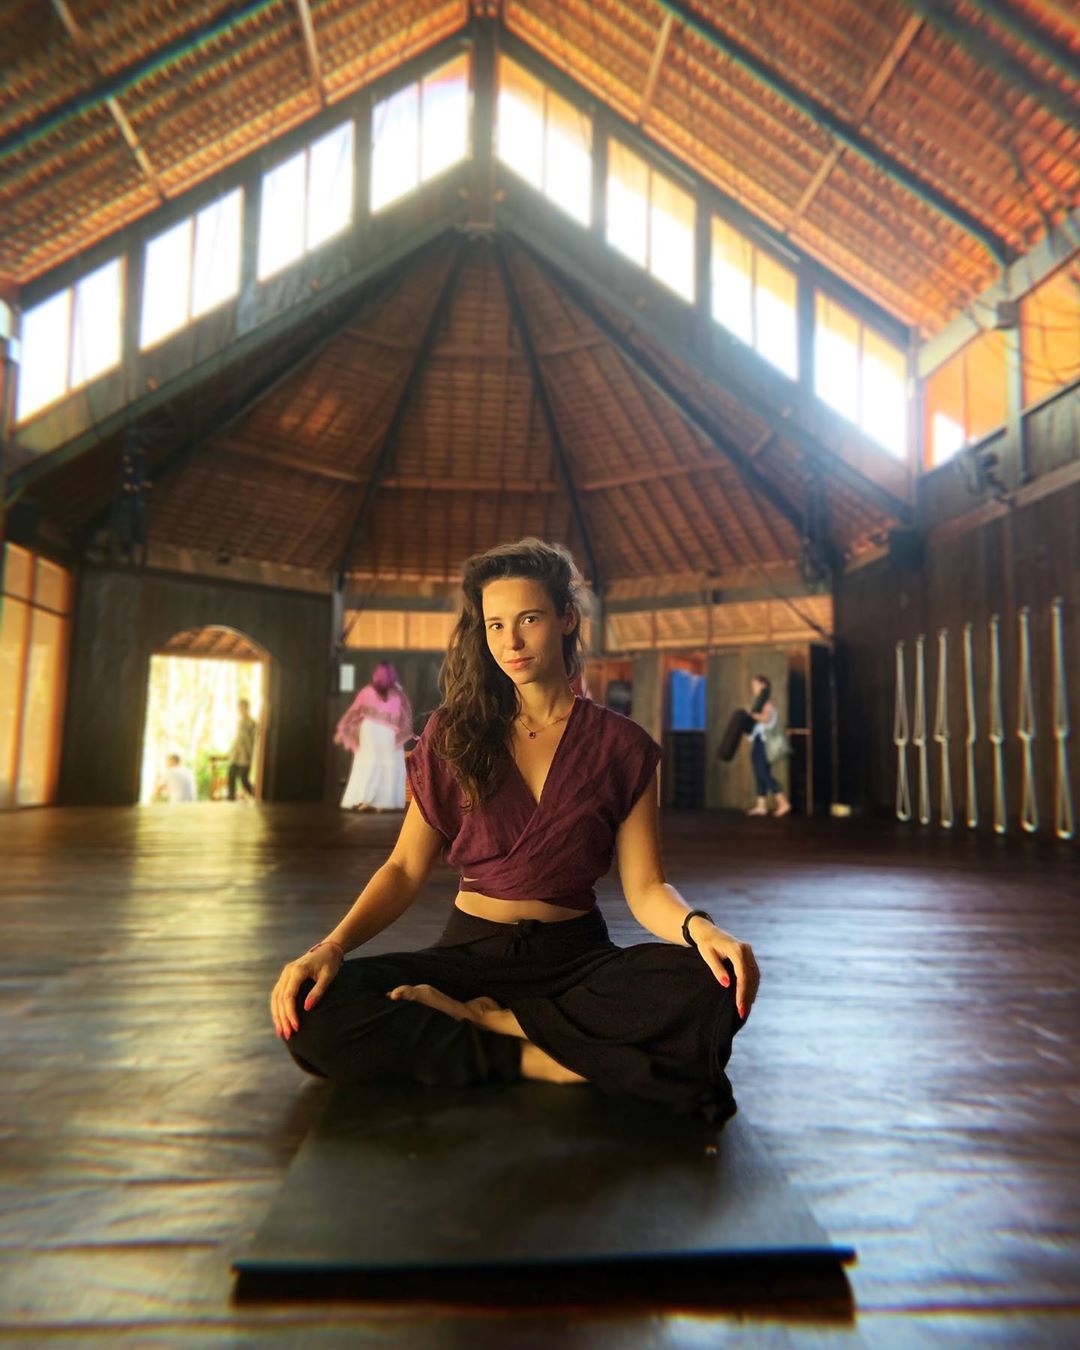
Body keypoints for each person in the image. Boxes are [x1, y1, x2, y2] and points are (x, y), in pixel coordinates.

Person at [271, 538, 759, 1121]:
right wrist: (330, 947)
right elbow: (403, 869)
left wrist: (700, 929)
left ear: (566, 618)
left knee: (710, 981)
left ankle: (493, 1024)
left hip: (575, 961)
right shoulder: (454, 733)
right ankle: (540, 1058)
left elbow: (647, 888)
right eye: (495, 625)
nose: (511, 642)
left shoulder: (623, 746)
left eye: (529, 619)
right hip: (466, 956)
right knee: (314, 1008)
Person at [334, 664, 413, 812]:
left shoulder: (388, 693)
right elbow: (356, 711)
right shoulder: (389, 693)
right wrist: (343, 728)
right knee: (377, 765)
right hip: (380, 733)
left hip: (379, 733)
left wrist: (343, 728)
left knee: (375, 765)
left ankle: (373, 800)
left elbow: (355, 711)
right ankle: (374, 800)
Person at [746, 675, 791, 817]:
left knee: (762, 772)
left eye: (755, 684)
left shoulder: (767, 703)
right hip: (758, 740)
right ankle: (761, 806)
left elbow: (767, 718)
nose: (753, 687)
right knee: (758, 772)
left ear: (763, 686)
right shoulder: (759, 703)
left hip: (764, 742)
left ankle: (783, 802)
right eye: (752, 684)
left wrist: (752, 715)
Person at [228, 698, 257, 801]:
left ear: (247, 708)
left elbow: (252, 740)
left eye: (242, 707)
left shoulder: (252, 723)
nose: (240, 710)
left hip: (246, 756)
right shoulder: (240, 722)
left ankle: (257, 796)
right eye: (239, 708)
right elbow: (238, 738)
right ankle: (230, 799)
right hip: (236, 754)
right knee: (231, 775)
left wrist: (250, 755)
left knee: (244, 779)